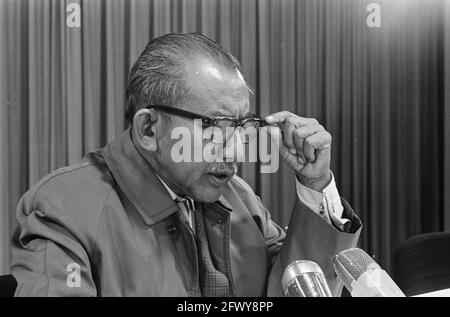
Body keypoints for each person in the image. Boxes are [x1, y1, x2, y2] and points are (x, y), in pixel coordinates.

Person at [10, 33, 361, 296]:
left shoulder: (239, 197)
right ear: (149, 129)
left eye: (242, 127)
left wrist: (315, 185)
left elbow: (296, 283)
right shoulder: (62, 208)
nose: (237, 150)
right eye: (215, 127)